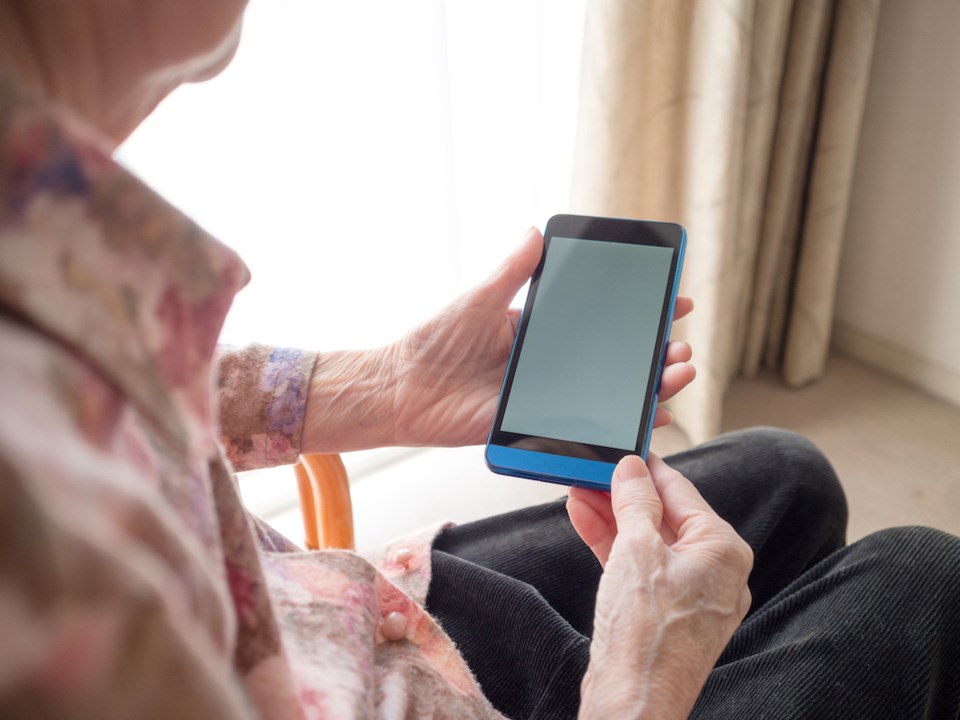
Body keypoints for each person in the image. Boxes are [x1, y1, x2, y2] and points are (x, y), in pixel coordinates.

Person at [0, 2, 957, 719]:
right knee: (923, 581)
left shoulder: (39, 266)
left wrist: (375, 388)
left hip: (355, 609)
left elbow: (141, 413)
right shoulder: (45, 552)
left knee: (790, 475)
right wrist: (638, 681)